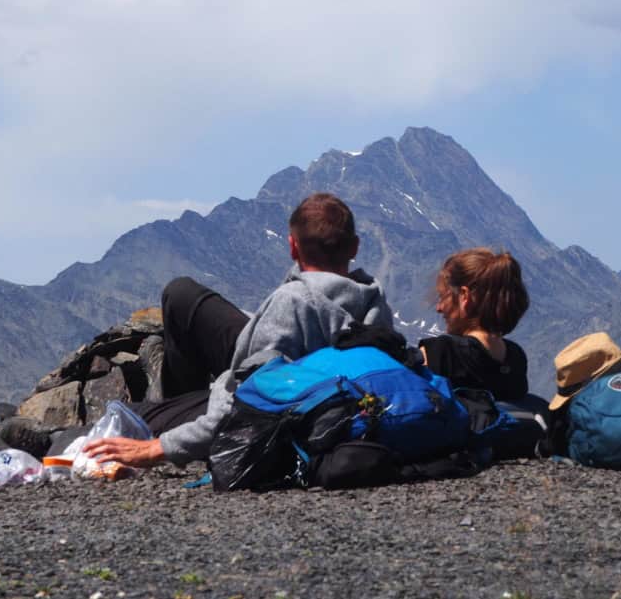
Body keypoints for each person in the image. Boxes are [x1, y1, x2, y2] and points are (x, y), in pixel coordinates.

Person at [82, 192, 396, 468]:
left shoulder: (291, 302)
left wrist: (160, 447)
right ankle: (183, 406)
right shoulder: (372, 298)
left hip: (278, 407)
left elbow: (243, 411)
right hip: (326, 393)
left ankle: (177, 411)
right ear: (355, 247)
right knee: (182, 296)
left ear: (292, 247)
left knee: (128, 417)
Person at [418, 247, 531, 401]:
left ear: (464, 296)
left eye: (443, 297)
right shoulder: (516, 357)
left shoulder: (441, 352)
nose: (439, 308)